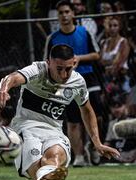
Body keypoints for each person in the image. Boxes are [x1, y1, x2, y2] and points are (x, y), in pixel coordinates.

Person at [0, 44, 119, 180]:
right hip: (25, 129)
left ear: (74, 63)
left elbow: (87, 111)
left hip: (53, 131)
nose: (63, 74)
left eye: (68, 69)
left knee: (55, 156)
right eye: (59, 68)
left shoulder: (77, 81)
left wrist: (97, 142)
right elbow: (13, 77)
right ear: (49, 62)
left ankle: (49, 172)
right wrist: (3, 89)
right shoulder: (38, 70)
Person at [44, 0, 104, 167]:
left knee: (96, 116)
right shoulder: (53, 38)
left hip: (87, 78)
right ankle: (78, 156)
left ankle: (93, 146)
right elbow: (47, 62)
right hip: (65, 82)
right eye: (61, 13)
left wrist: (78, 58)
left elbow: (96, 55)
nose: (64, 15)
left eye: (67, 12)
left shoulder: (84, 32)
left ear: (73, 14)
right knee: (73, 121)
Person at [104, 93, 136, 164]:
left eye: (119, 106)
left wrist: (134, 158)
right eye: (113, 107)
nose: (116, 110)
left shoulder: (135, 119)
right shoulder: (112, 124)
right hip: (118, 159)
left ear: (125, 106)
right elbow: (107, 143)